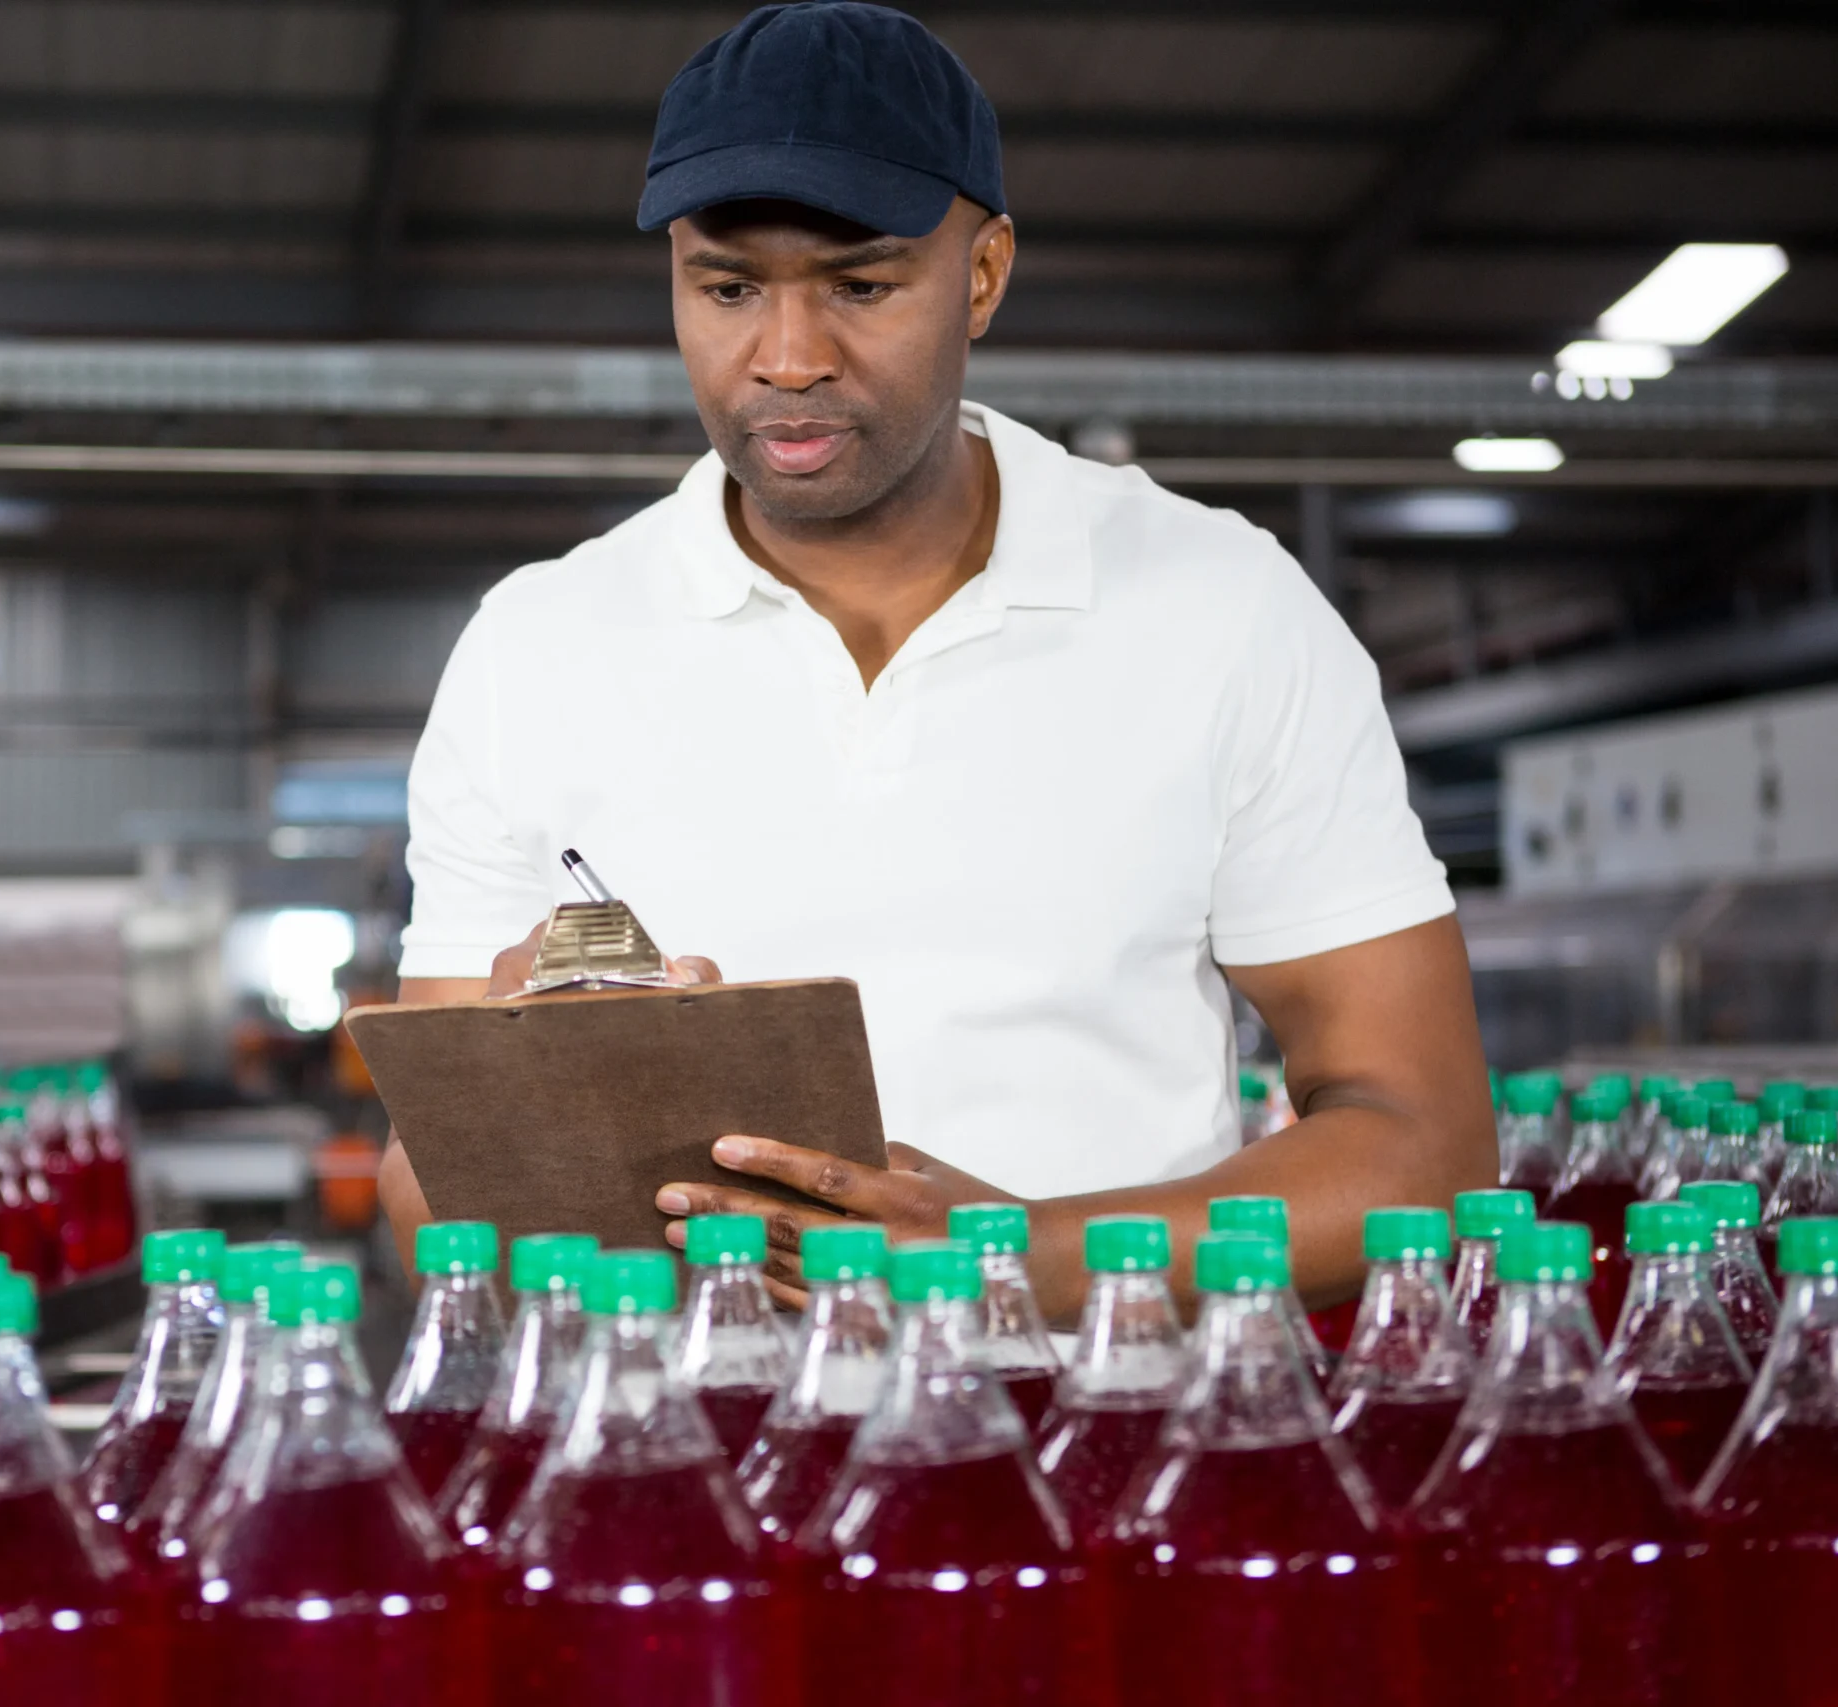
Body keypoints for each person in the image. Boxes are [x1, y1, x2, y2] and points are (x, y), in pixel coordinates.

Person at [383, 2, 1494, 1315]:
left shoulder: (1222, 607)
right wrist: (526, 1120)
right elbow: (420, 1188)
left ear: (983, 274)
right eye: (726, 287)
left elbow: (1426, 1147)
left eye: (861, 285)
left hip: (1110, 1465)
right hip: (695, 1467)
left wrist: (1015, 1259)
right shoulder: (538, 647)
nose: (786, 359)